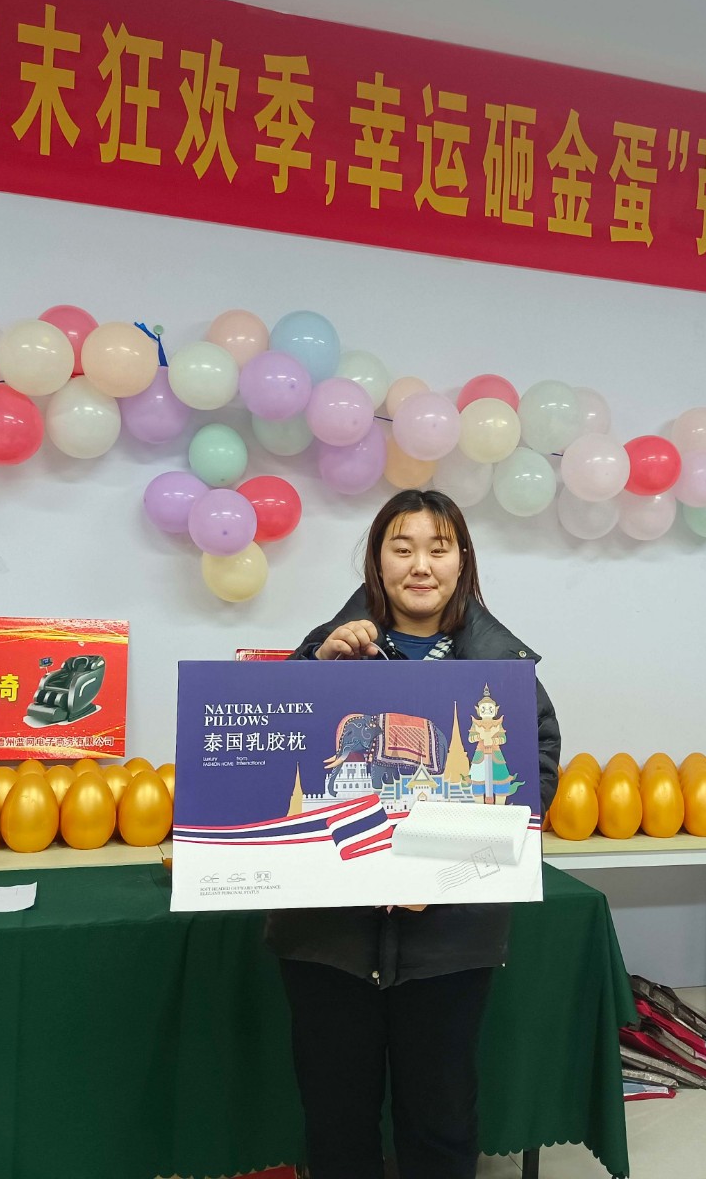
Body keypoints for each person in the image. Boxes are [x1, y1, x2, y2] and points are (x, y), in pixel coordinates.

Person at [267, 488, 561, 1179]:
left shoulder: (501, 669)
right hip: (329, 937)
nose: (420, 566)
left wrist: (442, 869)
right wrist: (314, 673)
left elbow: (534, 774)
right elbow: (273, 761)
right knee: (336, 1117)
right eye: (402, 548)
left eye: (438, 548)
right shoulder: (327, 652)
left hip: (449, 937)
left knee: (441, 1117)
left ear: (463, 561)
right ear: (377, 561)